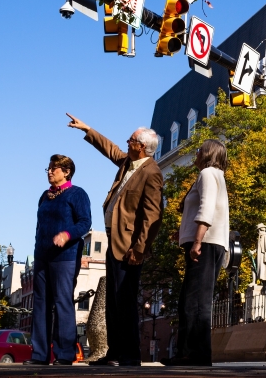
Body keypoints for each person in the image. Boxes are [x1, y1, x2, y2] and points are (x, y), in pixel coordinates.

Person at [66, 114, 162, 367]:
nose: (126, 143)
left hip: (129, 246)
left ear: (141, 147)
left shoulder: (151, 172)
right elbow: (110, 149)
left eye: (131, 140)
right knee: (113, 300)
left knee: (126, 300)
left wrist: (139, 249)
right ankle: (114, 352)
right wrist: (87, 129)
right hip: (114, 239)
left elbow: (152, 215)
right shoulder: (128, 163)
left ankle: (130, 355)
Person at [164, 139, 229, 367]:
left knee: (196, 302)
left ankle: (196, 354)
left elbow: (207, 207)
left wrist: (197, 240)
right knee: (189, 300)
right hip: (208, 242)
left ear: (208, 153)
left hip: (207, 243)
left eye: (200, 149)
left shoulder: (208, 174)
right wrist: (182, 233)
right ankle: (187, 352)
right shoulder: (212, 175)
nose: (197, 152)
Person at [24, 154, 92, 366]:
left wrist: (66, 235)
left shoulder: (77, 194)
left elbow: (85, 223)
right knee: (41, 305)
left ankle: (65, 354)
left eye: (54, 168)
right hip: (42, 257)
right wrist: (37, 251)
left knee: (62, 303)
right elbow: (39, 228)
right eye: (49, 168)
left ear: (67, 171)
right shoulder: (45, 196)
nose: (50, 171)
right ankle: (39, 355)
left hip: (65, 257)